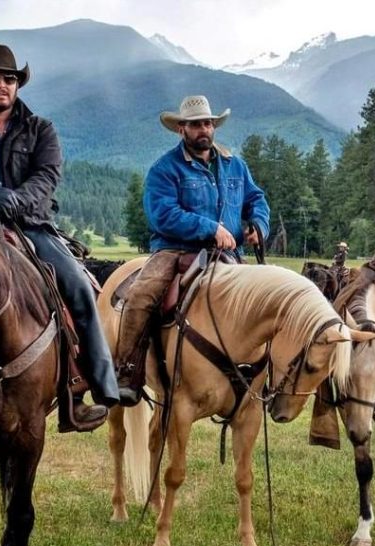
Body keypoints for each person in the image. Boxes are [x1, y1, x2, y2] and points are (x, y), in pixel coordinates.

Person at [0, 44, 117, 432]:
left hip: (29, 224)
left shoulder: (40, 129)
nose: (2, 85)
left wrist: (15, 200)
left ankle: (88, 387)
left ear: (17, 86)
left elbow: (47, 176)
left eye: (10, 79)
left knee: (79, 288)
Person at [113, 95, 271, 405]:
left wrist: (258, 226)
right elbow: (162, 213)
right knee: (141, 296)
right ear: (181, 129)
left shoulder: (234, 165)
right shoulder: (164, 169)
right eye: (196, 124)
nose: (204, 129)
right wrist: (209, 228)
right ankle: (127, 372)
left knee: (265, 301)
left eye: (208, 123)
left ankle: (264, 374)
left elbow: (256, 199)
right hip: (174, 251)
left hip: (229, 254)